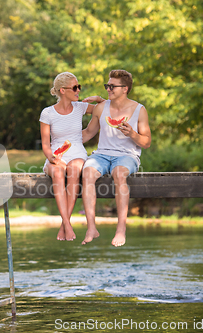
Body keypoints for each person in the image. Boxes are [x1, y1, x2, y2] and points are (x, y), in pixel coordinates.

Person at [81, 70, 151, 246]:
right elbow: (88, 133)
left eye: (112, 86)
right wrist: (61, 140)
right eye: (107, 85)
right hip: (102, 154)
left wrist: (133, 135)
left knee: (119, 174)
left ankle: (121, 229)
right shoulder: (100, 108)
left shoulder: (139, 110)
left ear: (125, 88)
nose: (108, 89)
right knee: (87, 172)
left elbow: (147, 142)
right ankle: (91, 227)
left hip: (127, 156)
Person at [40, 72, 104, 241]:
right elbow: (46, 144)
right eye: (75, 87)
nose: (78, 91)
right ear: (62, 90)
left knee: (74, 171)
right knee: (59, 173)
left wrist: (98, 99)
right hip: (56, 153)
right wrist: (52, 158)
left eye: (79, 87)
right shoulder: (47, 113)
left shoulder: (80, 107)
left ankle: (64, 225)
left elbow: (105, 108)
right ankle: (67, 224)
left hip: (76, 151)